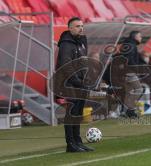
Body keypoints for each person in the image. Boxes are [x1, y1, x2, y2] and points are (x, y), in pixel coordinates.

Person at [55, 17, 94, 152]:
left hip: (80, 84)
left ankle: (78, 141)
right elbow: (66, 66)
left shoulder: (81, 43)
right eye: (77, 26)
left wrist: (86, 80)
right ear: (70, 28)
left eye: (82, 26)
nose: (81, 28)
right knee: (71, 113)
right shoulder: (66, 44)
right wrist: (78, 82)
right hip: (69, 83)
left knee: (78, 113)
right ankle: (70, 144)